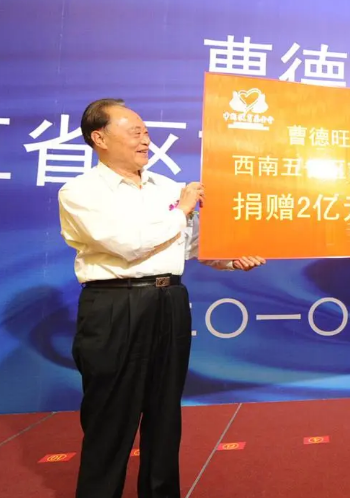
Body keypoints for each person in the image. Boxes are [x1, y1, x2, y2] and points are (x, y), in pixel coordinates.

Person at [57, 98, 266, 498]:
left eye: (146, 132)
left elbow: (192, 247)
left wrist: (232, 259)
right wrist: (183, 209)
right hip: (115, 305)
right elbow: (126, 245)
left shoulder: (167, 188)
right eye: (134, 131)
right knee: (110, 418)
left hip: (169, 301)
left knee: (165, 414)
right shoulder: (80, 191)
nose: (145, 140)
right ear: (99, 138)